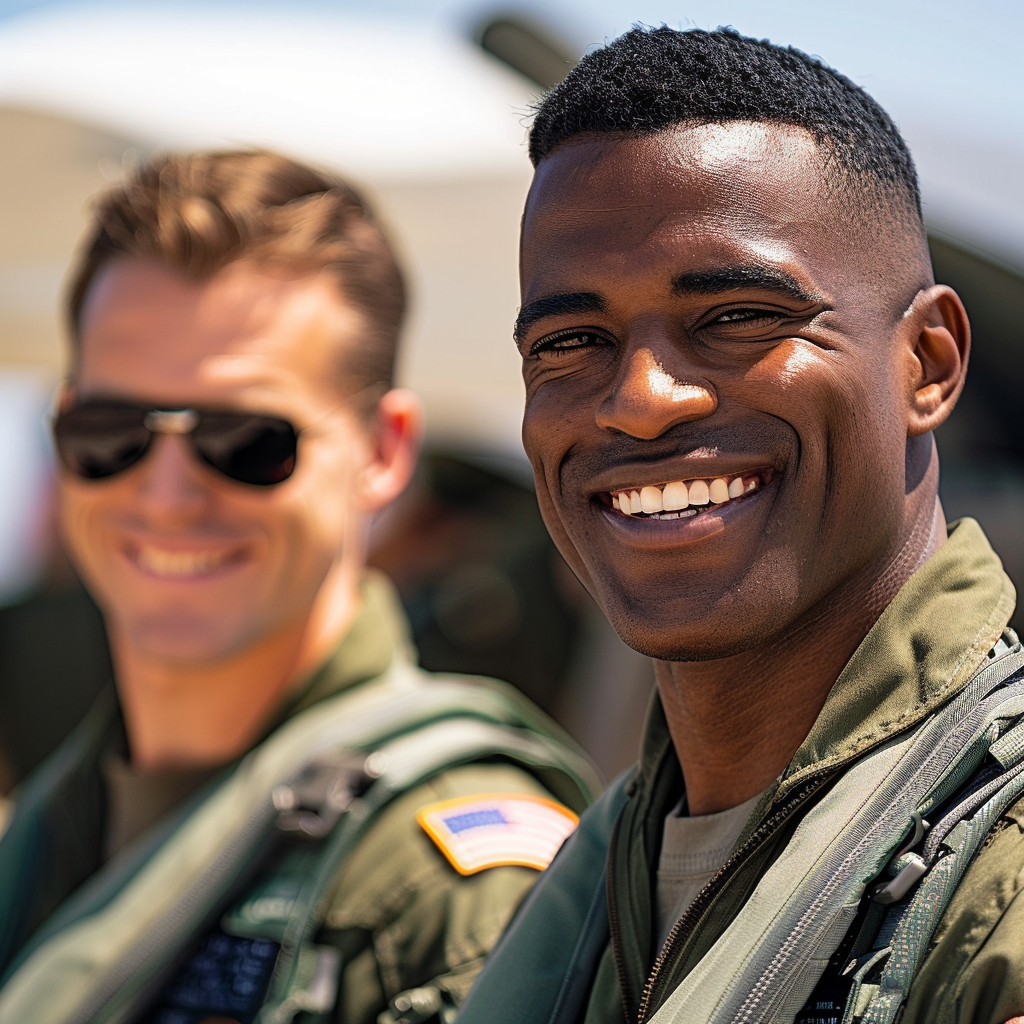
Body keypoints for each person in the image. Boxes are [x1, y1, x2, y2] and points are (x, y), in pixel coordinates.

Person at [456, 26, 1024, 1024]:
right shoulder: (602, 874)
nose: (641, 400)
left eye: (738, 318)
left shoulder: (996, 881)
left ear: (926, 363)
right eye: (572, 340)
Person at [0, 150, 598, 1024]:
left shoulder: (448, 894)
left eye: (247, 440)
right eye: (111, 431)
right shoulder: (52, 825)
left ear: (383, 451)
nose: (166, 496)